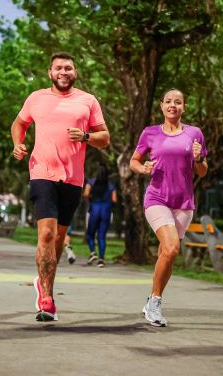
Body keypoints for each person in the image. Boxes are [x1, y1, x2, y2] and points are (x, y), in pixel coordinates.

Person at [11, 52, 110, 322]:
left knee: (57, 240)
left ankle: (44, 285)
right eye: (58, 68)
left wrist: (87, 136)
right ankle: (46, 299)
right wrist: (18, 144)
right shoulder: (36, 98)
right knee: (46, 234)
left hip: (73, 179)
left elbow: (105, 138)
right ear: (49, 72)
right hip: (42, 172)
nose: (63, 72)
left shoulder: (87, 101)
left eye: (68, 68)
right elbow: (19, 124)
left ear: (75, 72)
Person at [130, 89, 208, 327]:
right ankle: (155, 303)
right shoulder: (150, 133)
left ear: (184, 107)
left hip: (183, 202)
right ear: (161, 106)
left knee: (168, 252)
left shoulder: (194, 133)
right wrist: (142, 168)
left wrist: (198, 159)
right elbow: (134, 160)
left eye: (178, 102)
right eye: (168, 102)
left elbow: (203, 171)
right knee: (172, 247)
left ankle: (152, 300)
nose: (172, 105)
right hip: (156, 198)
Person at [83, 164, 117, 267]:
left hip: (94, 209)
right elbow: (114, 199)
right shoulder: (111, 185)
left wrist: (90, 201)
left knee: (90, 234)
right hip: (106, 210)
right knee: (102, 236)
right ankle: (101, 260)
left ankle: (93, 252)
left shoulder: (91, 182)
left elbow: (86, 194)